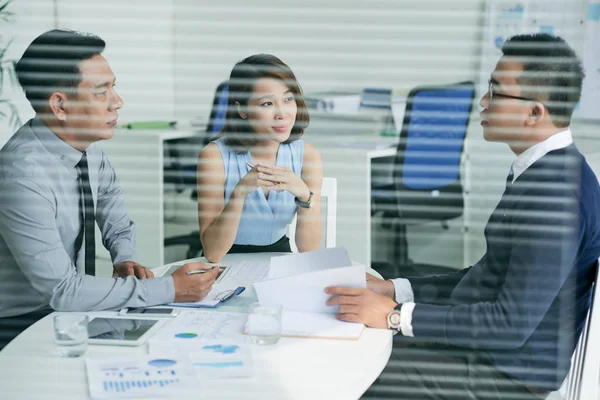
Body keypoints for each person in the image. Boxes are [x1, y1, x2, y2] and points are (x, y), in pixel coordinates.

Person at [326, 33, 600, 399]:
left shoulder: (555, 194)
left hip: (504, 376)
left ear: (536, 112)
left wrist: (395, 315)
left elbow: (509, 324)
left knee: (351, 368)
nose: (483, 102)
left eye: (497, 92)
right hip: (489, 355)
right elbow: (484, 279)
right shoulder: (544, 170)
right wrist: (394, 290)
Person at [0, 29, 218, 349]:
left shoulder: (87, 148)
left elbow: (109, 198)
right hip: (18, 323)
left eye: (113, 88)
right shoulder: (21, 177)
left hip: (66, 312)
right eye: (102, 92)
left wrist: (123, 256)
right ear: (60, 106)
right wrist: (170, 288)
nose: (118, 103)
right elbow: (63, 291)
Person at [198, 54, 323, 263]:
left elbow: (308, 250)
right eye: (267, 104)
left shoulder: (308, 156)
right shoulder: (213, 157)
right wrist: (239, 194)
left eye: (288, 99)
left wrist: (304, 195)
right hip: (225, 262)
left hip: (280, 259)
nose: (282, 113)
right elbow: (213, 253)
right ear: (242, 109)